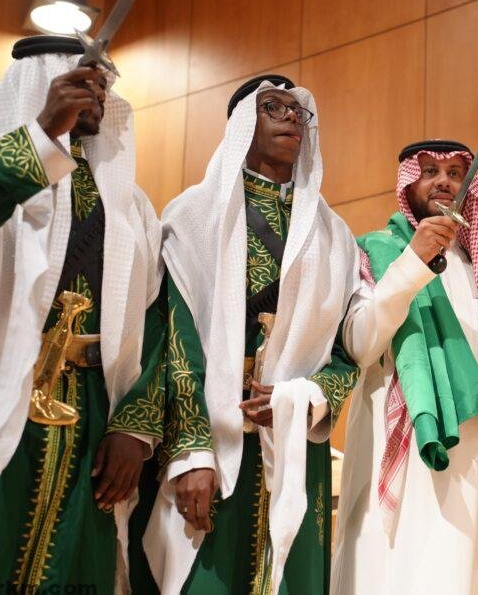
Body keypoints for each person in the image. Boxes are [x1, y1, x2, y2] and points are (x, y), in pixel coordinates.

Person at [0, 35, 162, 591]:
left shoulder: (130, 204)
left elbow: (154, 320)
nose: (95, 97)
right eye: (79, 83)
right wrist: (41, 133)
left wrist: (134, 427)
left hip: (90, 411)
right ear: (40, 84)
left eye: (101, 87)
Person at [132, 75, 360, 593]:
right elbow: (174, 341)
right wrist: (192, 452)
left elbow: (347, 348)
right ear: (240, 125)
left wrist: (313, 396)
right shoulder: (195, 215)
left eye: (298, 110)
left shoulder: (335, 234)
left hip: (295, 443)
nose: (290, 117)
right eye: (272, 107)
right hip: (211, 439)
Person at [331, 140, 478, 595]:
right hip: (398, 453)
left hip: (473, 455)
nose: (444, 181)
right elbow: (359, 343)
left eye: (456, 173)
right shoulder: (375, 252)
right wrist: (412, 263)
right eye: (430, 171)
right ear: (408, 185)